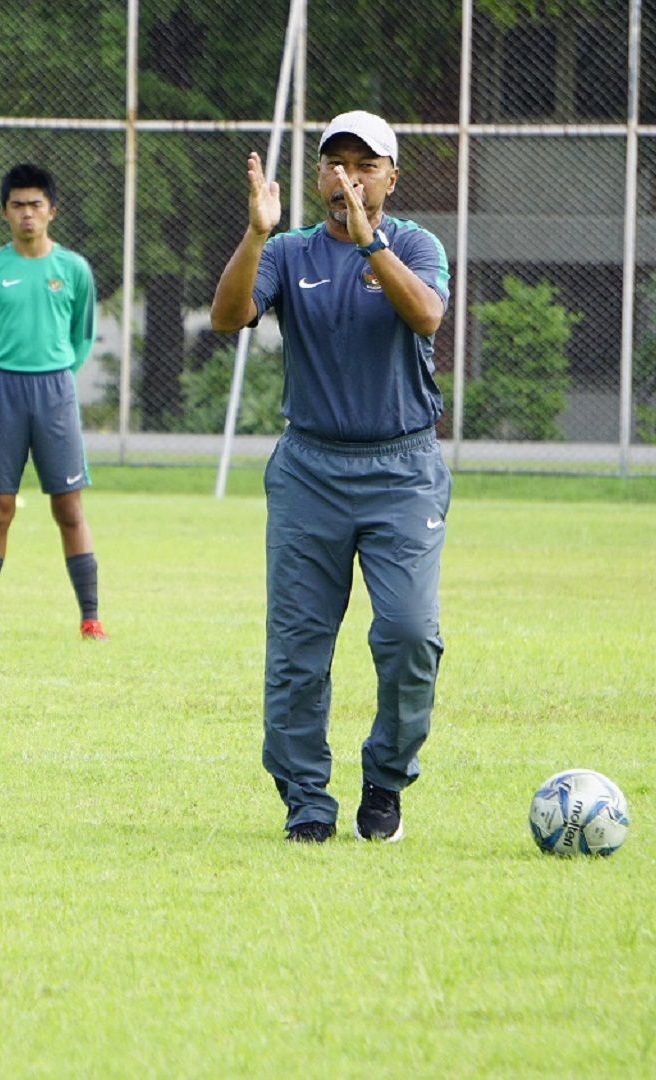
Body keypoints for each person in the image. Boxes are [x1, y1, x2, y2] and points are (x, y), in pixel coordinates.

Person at [208, 111, 452, 844]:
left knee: (409, 633)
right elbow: (227, 317)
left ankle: (386, 777)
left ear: (391, 178)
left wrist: (369, 241)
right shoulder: (288, 251)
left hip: (402, 468)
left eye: (364, 165)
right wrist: (255, 233)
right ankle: (306, 801)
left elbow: (428, 316)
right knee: (298, 647)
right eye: (333, 163)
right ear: (315, 176)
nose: (346, 176)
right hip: (310, 469)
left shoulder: (412, 243)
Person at [0, 163, 104, 641]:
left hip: (55, 391)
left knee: (69, 509)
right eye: (18, 205)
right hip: (4, 391)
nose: (27, 214)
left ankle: (91, 619)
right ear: (5, 212)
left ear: (52, 210)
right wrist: (5, 367)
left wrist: (57, 371)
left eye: (36, 204)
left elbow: (82, 334)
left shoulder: (73, 269)